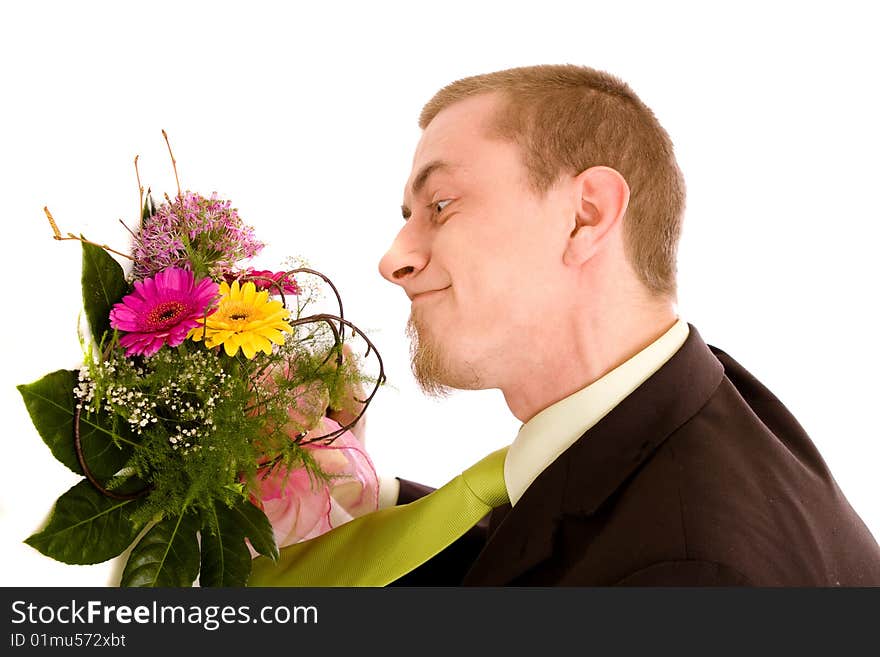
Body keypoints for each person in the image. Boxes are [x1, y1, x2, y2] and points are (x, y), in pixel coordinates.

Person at [253, 64, 880, 586]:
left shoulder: (687, 573)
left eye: (440, 205)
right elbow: (548, 553)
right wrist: (357, 492)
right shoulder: (689, 405)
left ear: (585, 216)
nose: (395, 259)